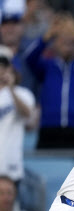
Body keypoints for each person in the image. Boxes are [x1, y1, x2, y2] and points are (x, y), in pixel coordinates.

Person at [24, 13, 74, 149]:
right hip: (49, 130)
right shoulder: (48, 66)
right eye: (61, 38)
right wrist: (47, 36)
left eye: (70, 38)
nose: (66, 41)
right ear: (54, 43)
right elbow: (28, 57)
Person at [0, 56, 34, 185]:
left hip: (11, 165)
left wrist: (11, 88)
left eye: (4, 68)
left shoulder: (23, 93)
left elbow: (27, 114)